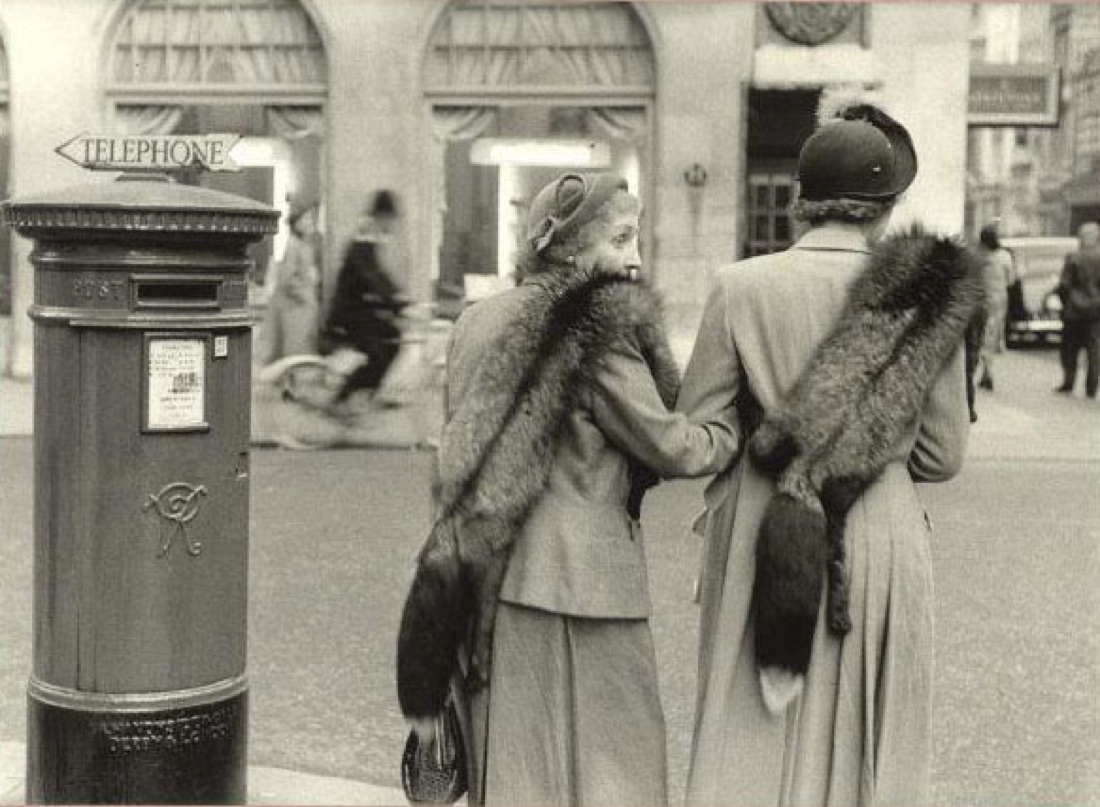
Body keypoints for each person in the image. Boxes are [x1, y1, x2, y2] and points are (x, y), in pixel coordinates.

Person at [396, 173, 741, 806]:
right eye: (620, 238)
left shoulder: (475, 320)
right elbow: (673, 445)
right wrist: (728, 426)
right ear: (572, 248)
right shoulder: (595, 325)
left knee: (519, 763)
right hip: (587, 584)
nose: (635, 256)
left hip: (489, 583)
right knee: (617, 765)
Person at [678, 97, 984, 805]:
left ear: (800, 201)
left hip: (764, 521)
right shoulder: (929, 293)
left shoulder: (738, 286)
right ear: (885, 208)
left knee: (751, 726)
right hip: (876, 526)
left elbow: (700, 426)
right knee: (868, 729)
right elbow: (942, 454)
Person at [322, 190, 409, 399]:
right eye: (390, 218)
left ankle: (364, 391)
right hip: (349, 312)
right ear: (382, 216)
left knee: (392, 337)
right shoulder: (363, 236)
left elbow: (379, 273)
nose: (392, 224)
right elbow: (367, 274)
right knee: (379, 353)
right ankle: (346, 395)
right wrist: (391, 299)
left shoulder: (371, 235)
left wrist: (398, 295)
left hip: (361, 309)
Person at [261, 200, 321, 364]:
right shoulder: (293, 246)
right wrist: (305, 294)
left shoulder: (303, 245)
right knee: (295, 355)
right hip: (295, 309)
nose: (310, 223)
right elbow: (287, 280)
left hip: (301, 308)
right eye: (307, 219)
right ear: (297, 222)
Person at [1054, 221, 1100, 398]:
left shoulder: (1073, 257)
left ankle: (1069, 382)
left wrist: (1065, 301)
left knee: (1070, 347)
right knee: (1094, 349)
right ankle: (1092, 387)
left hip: (1073, 310)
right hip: (1096, 309)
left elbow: (1064, 285)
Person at [974, 223, 1016, 391]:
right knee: (992, 335)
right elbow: (1011, 280)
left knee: (982, 335)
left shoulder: (979, 256)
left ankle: (986, 371)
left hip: (981, 300)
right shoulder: (1005, 256)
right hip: (1000, 299)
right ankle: (987, 371)